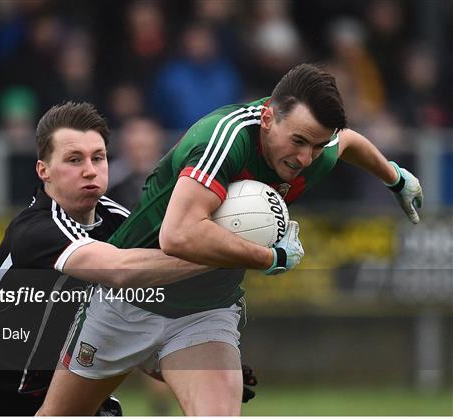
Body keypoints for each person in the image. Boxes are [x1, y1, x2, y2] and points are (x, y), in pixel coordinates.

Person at [37, 64, 423, 416]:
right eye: (300, 141)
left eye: (318, 146)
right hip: (130, 300)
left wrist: (395, 178)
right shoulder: (223, 138)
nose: (306, 158)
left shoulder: (313, 148)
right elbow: (178, 235)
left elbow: (350, 141)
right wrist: (268, 258)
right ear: (269, 117)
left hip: (205, 312)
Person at [0, 101, 218, 416]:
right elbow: (121, 270)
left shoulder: (118, 221)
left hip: (76, 393)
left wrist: (204, 362)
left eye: (97, 157)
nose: (90, 169)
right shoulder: (35, 231)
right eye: (74, 159)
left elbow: (148, 315)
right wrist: (224, 255)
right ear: (43, 170)